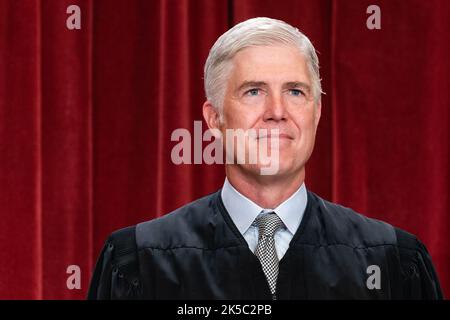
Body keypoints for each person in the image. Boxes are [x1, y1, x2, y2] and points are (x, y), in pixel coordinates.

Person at [87, 17, 443, 300]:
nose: (277, 111)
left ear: (316, 113)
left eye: (295, 91)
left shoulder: (392, 263)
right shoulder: (141, 263)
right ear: (215, 120)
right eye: (254, 91)